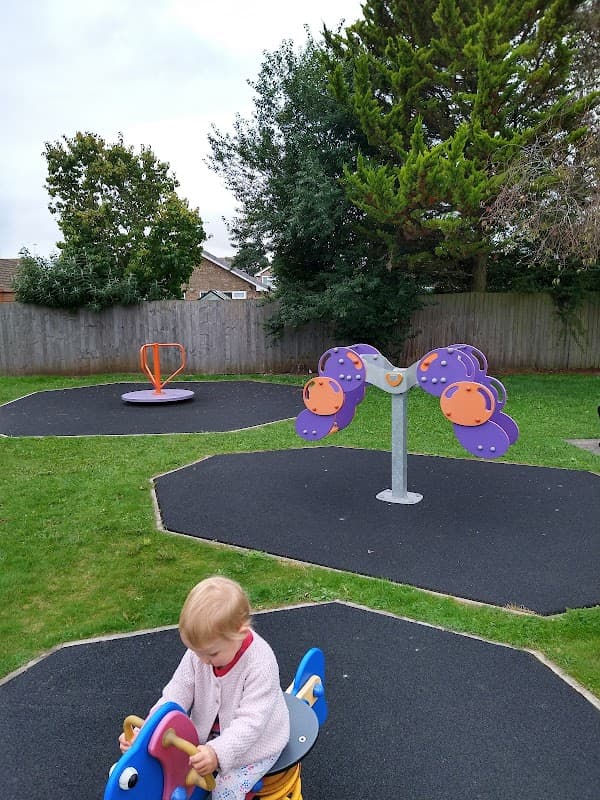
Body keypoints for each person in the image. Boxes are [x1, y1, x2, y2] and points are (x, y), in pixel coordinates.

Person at [119, 576, 290, 799]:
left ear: (240, 631)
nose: (203, 660)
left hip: (255, 745)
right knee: (171, 765)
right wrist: (146, 734)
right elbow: (176, 692)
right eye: (196, 651)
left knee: (224, 791)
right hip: (211, 734)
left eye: (211, 654)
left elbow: (251, 723)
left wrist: (216, 752)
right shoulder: (201, 653)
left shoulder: (261, 664)